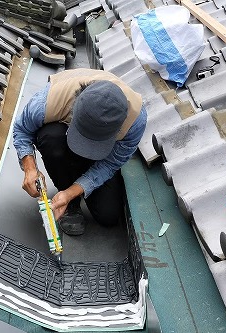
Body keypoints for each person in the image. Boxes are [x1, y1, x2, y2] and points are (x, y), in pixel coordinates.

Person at [12, 68, 147, 236]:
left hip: (102, 159)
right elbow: (21, 129)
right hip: (62, 141)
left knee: (108, 215)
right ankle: (71, 203)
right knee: (50, 136)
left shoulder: (135, 123)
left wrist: (70, 192)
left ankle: (72, 191)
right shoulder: (48, 102)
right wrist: (30, 167)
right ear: (74, 111)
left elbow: (110, 163)